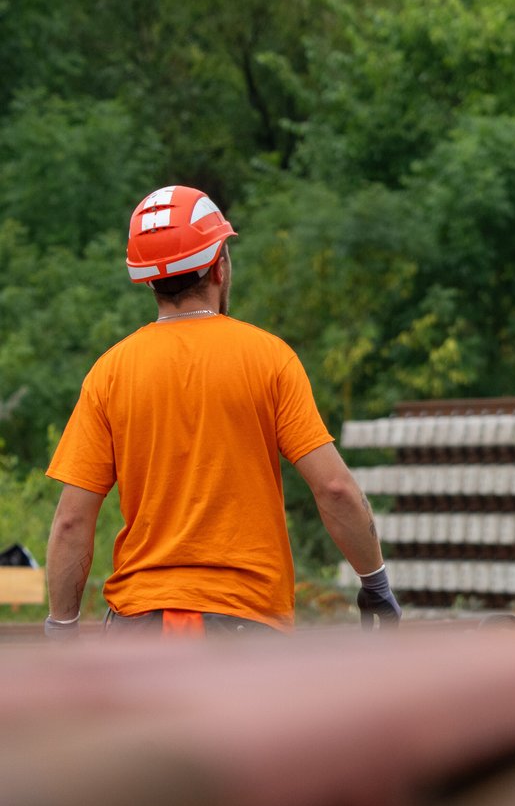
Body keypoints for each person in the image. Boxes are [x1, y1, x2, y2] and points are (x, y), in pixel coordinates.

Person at [44, 185, 399, 637]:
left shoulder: (110, 373)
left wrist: (62, 625)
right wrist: (375, 584)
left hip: (140, 631)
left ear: (149, 279)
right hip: (246, 626)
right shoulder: (268, 358)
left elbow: (73, 519)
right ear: (218, 265)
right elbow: (334, 489)